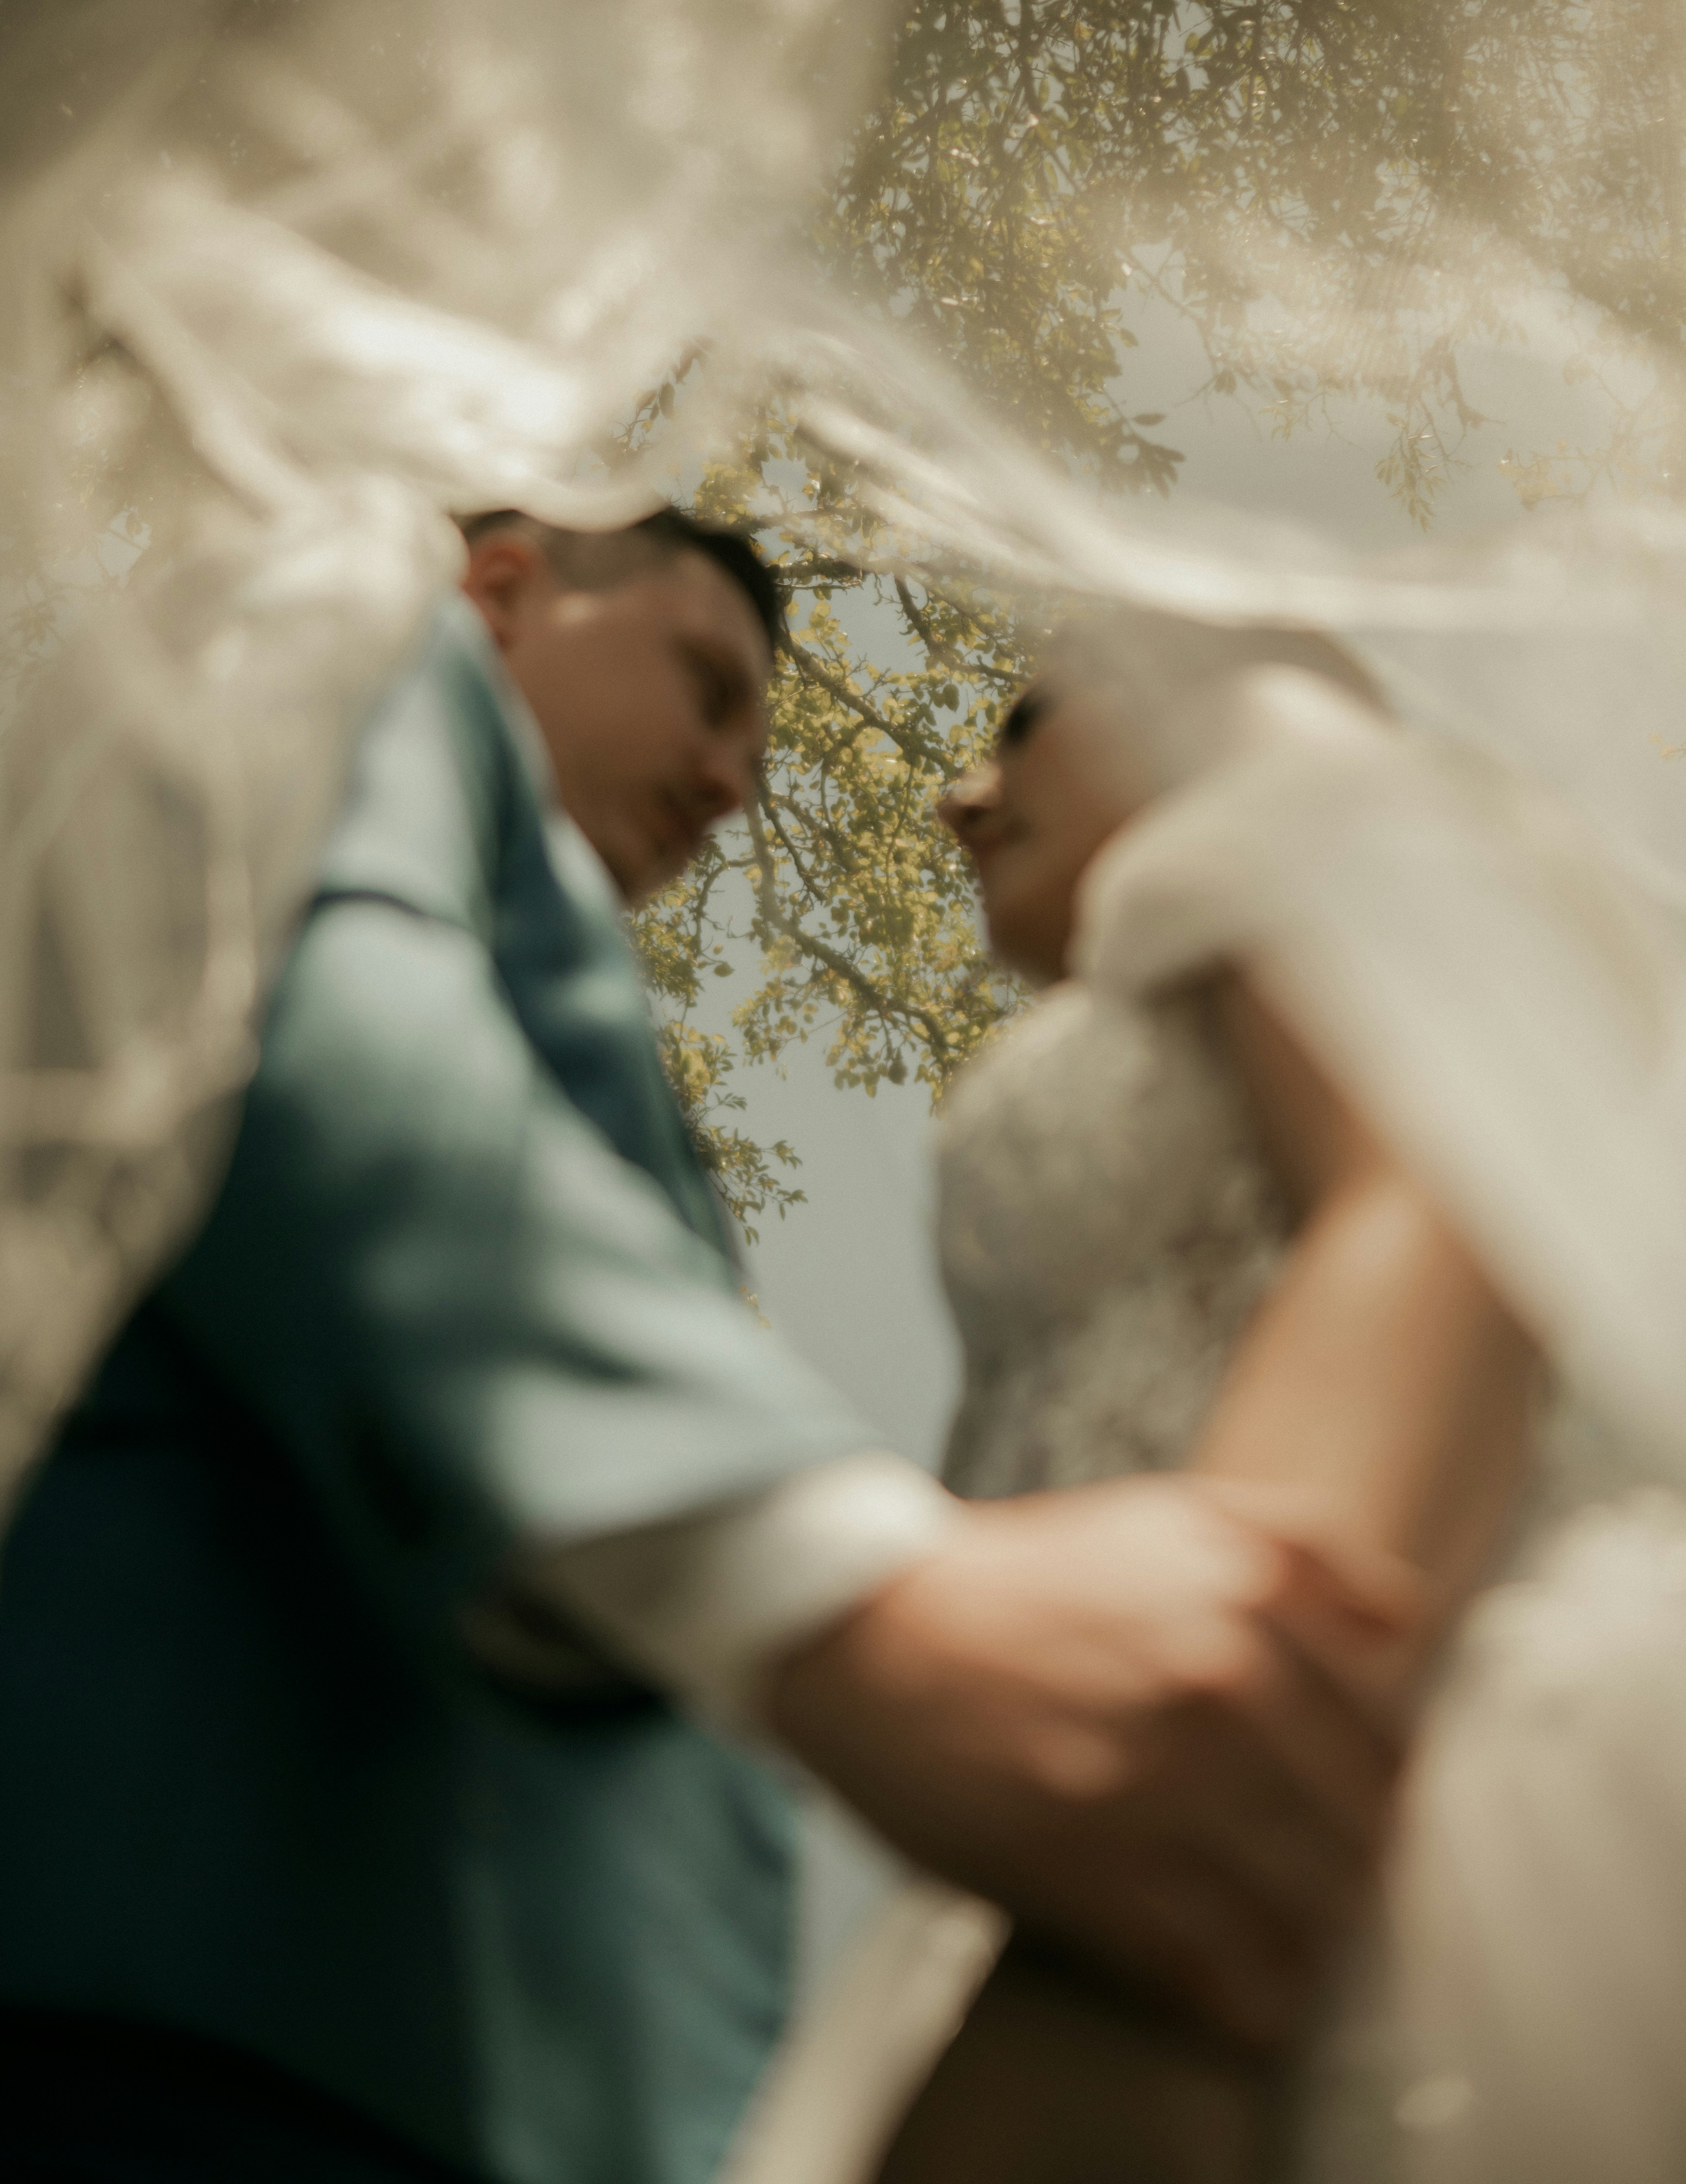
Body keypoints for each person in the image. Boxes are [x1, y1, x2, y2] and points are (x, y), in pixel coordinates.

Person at [0, 521, 1405, 2184]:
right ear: (508, 584)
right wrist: (836, 1594)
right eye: (707, 686)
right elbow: (322, 1005)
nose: (738, 780)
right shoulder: (359, 629)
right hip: (185, 1996)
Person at [727, 613, 1686, 2184]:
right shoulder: (1161, 980)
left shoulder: (1288, 753)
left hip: (1334, 1768)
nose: (962, 797)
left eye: (1025, 723)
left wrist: (1159, 1970)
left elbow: (1434, 1205)